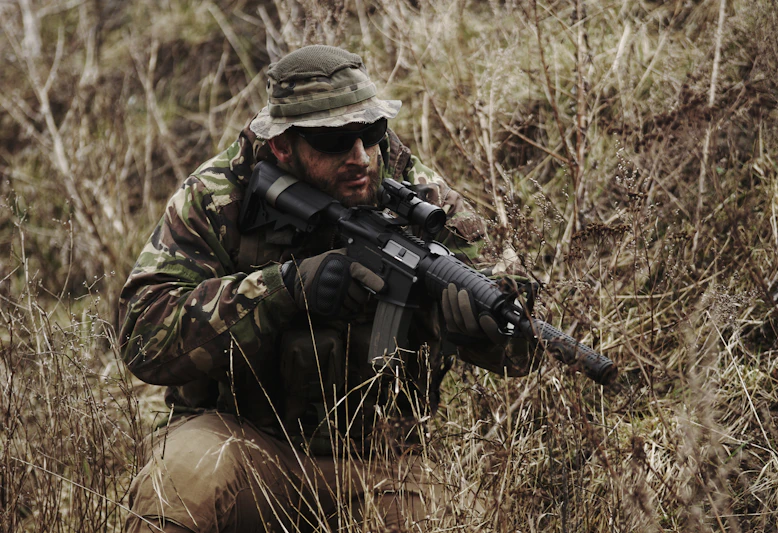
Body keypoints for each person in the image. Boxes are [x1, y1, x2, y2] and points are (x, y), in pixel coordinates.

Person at [119, 45, 536, 533]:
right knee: (180, 481)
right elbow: (143, 336)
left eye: (371, 133)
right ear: (281, 145)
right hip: (243, 441)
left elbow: (517, 341)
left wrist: (476, 327)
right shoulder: (217, 196)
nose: (359, 157)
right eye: (334, 141)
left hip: (379, 461)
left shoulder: (418, 195)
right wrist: (282, 289)